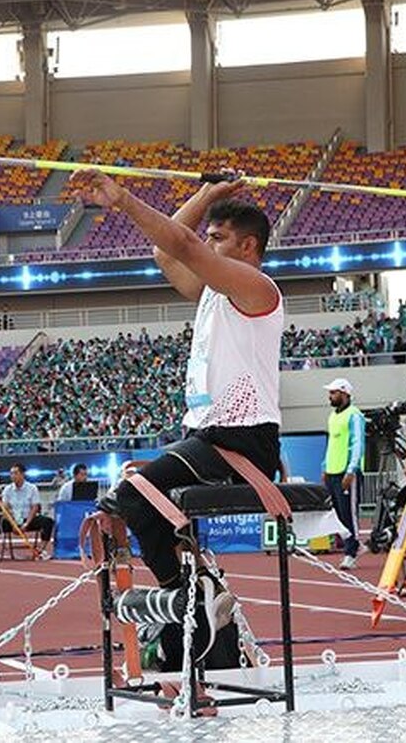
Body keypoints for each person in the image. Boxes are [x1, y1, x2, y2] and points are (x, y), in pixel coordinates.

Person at [72, 167, 281, 657]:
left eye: (219, 238)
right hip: (204, 439)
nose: (208, 244)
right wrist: (206, 194)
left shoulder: (258, 291)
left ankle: (194, 597)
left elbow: (185, 246)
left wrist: (124, 200)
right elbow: (166, 252)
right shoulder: (213, 293)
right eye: (208, 236)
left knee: (131, 495)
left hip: (241, 442)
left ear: (248, 247)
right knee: (138, 505)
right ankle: (197, 605)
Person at [321, 378, 365, 570]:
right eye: (330, 392)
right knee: (337, 514)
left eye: (334, 392)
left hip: (347, 473)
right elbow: (331, 444)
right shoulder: (332, 416)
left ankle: (351, 552)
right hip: (332, 471)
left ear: (345, 393)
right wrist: (325, 466)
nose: (330, 396)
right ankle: (354, 543)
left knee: (349, 512)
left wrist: (351, 470)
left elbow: (358, 444)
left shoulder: (355, 415)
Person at [0, 464, 54, 560]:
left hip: (28, 519)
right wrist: (13, 523)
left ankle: (41, 550)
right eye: (11, 474)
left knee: (48, 521)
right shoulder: (7, 489)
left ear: (22, 474)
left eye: (15, 473)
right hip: (13, 520)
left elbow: (34, 507)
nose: (13, 476)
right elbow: (5, 508)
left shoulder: (32, 488)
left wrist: (26, 523)